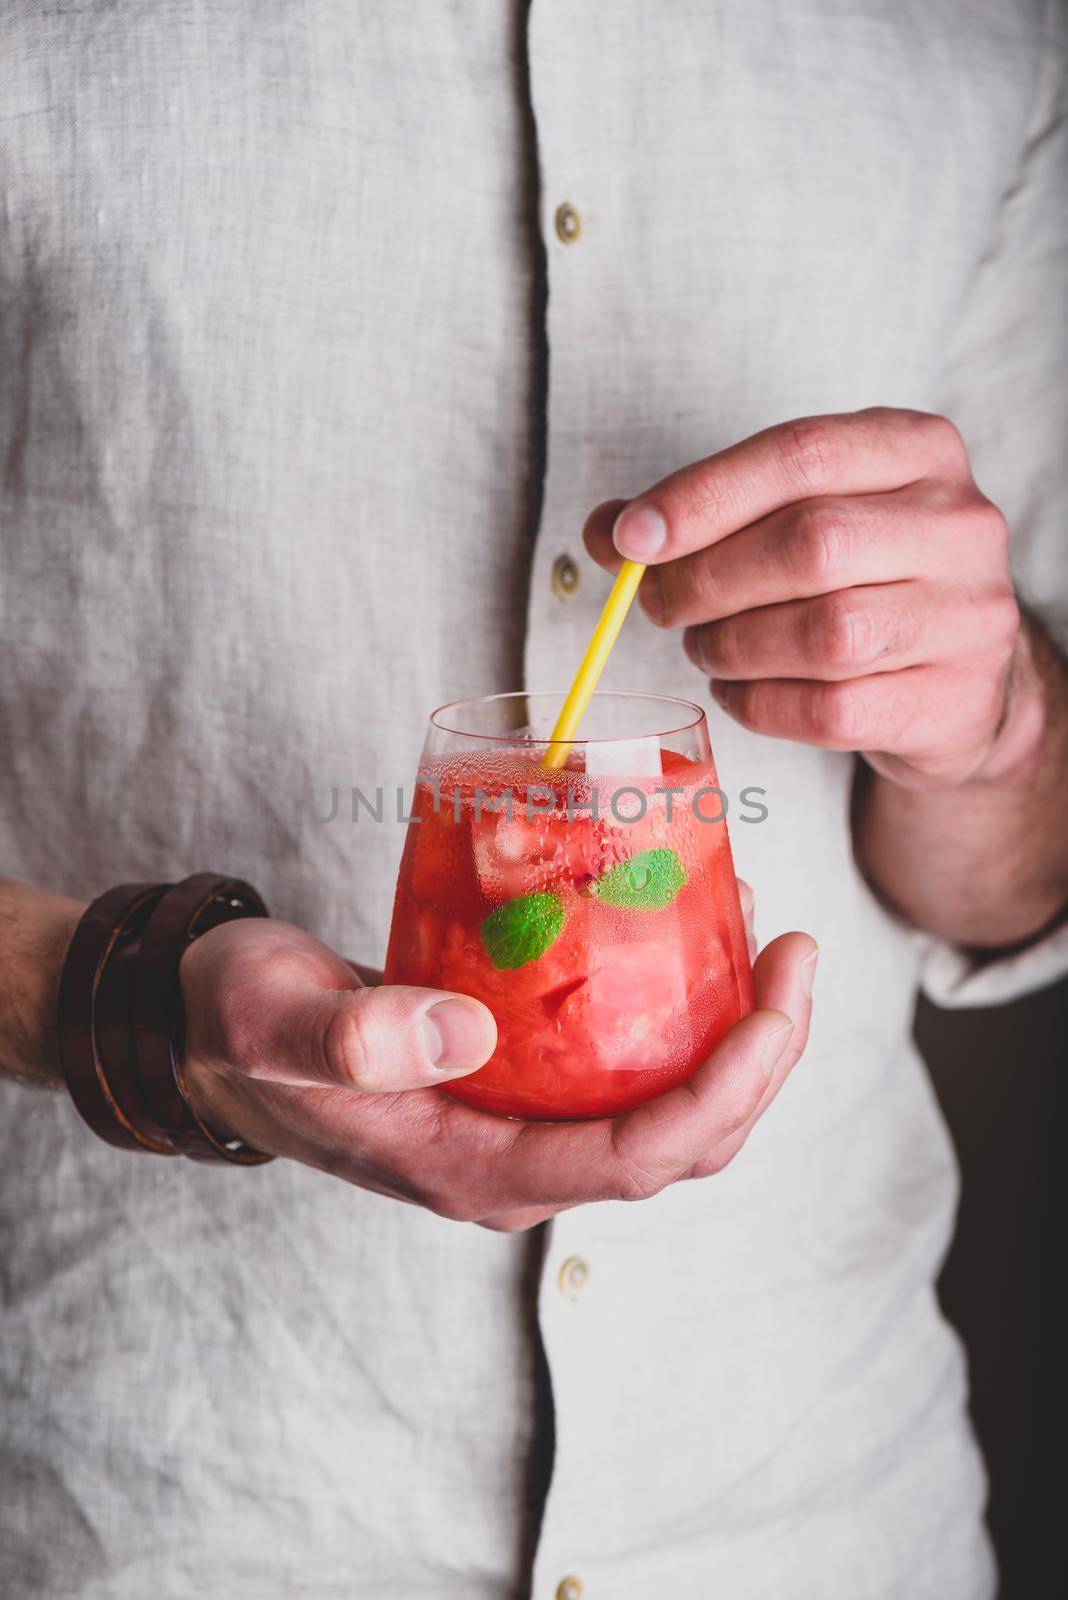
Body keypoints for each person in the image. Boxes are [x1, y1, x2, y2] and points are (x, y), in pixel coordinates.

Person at [1, 3, 1066, 1596]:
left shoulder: (983, 46)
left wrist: (995, 732)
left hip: (830, 1505)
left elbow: (1012, 875)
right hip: (165, 1509)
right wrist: (143, 1010)